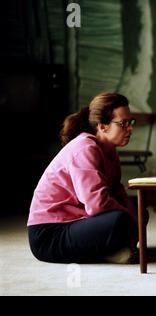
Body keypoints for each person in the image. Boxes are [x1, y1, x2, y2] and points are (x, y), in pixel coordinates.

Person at [28, 92, 142, 264]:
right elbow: (98, 204)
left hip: (78, 222)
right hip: (49, 234)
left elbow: (117, 192)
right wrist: (131, 222)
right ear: (102, 126)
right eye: (123, 123)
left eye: (130, 122)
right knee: (121, 220)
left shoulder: (110, 151)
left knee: (139, 212)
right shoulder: (85, 148)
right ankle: (109, 252)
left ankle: (109, 251)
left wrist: (135, 217)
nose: (130, 128)